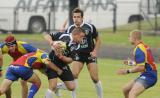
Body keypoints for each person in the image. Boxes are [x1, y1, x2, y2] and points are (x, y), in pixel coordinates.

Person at [62, 7, 102, 98]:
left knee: (95, 78)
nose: (76, 19)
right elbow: (66, 43)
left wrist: (95, 51)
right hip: (77, 55)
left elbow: (98, 40)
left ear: (82, 17)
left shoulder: (90, 27)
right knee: (74, 75)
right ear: (72, 18)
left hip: (90, 55)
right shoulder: (69, 29)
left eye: (78, 17)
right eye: (74, 17)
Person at [43, 27, 85, 98]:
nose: (82, 39)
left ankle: (58, 87)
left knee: (72, 87)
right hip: (52, 62)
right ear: (76, 35)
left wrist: (61, 57)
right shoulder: (63, 36)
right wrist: (52, 43)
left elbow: (71, 59)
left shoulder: (78, 45)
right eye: (81, 37)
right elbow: (47, 36)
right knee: (52, 86)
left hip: (63, 65)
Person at [117, 30, 157, 98]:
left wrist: (127, 71)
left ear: (134, 38)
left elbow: (141, 67)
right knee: (125, 90)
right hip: (147, 74)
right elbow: (144, 63)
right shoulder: (143, 46)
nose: (128, 38)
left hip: (149, 76)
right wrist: (130, 63)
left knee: (132, 94)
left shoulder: (139, 49)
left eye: (130, 36)